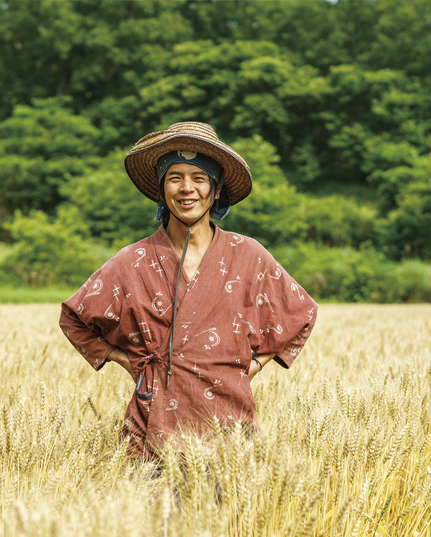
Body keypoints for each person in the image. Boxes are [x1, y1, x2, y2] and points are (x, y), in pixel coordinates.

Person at [59, 122, 318, 458]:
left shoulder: (248, 255)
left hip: (230, 438)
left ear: (217, 190)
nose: (186, 188)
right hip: (150, 438)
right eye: (174, 177)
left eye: (199, 178)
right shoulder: (132, 261)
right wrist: (129, 362)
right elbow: (74, 318)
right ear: (161, 189)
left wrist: (252, 366)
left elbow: (302, 314)